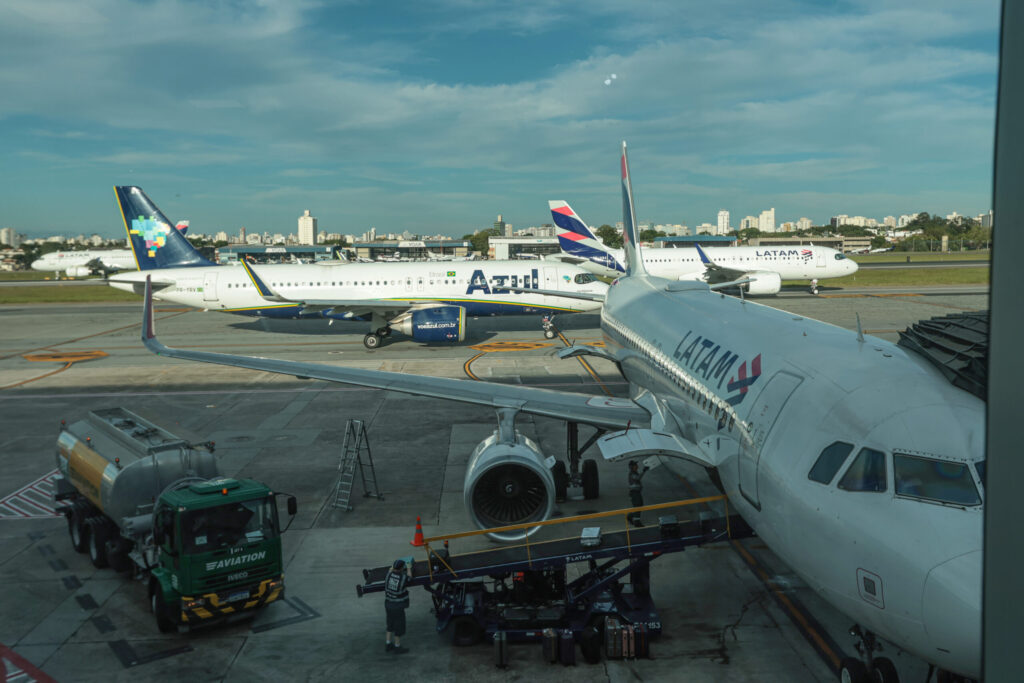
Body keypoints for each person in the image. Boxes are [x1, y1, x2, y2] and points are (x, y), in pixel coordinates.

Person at [384, 557, 413, 654]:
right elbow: (410, 577)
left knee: (390, 624)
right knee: (398, 626)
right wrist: (409, 568)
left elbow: (390, 570)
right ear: (402, 569)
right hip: (398, 605)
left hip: (388, 604)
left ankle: (388, 644)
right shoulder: (403, 577)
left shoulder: (388, 575)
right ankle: (397, 646)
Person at [628, 461, 650, 526]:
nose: (637, 466)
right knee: (637, 506)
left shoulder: (635, 472)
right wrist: (644, 471)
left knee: (640, 505)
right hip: (634, 493)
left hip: (637, 492)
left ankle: (631, 515)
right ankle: (637, 522)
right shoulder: (632, 473)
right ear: (632, 467)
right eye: (635, 465)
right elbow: (638, 478)